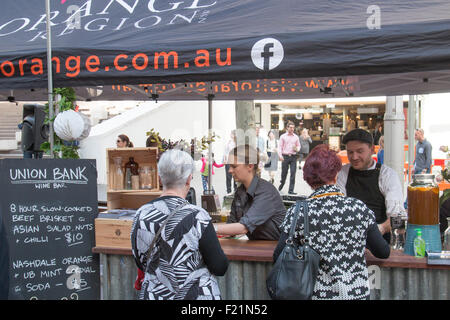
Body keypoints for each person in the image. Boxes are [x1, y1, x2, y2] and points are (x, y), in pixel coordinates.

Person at [273, 144, 390, 300]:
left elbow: (279, 255)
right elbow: (383, 252)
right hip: (356, 295)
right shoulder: (358, 208)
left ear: (307, 179)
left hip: (316, 295)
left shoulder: (298, 211)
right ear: (336, 175)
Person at [131, 149, 229, 300]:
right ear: (189, 179)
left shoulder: (141, 214)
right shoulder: (198, 216)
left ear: (159, 178)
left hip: (155, 295)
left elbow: (140, 260)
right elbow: (219, 266)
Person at [336, 128, 405, 244]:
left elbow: (399, 217)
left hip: (381, 241)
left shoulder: (387, 175)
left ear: (372, 149)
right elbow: (338, 208)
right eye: (350, 152)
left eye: (360, 151)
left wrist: (381, 228)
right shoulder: (344, 172)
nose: (354, 157)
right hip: (349, 241)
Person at [215, 144, 286, 240]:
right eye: (229, 166)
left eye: (234, 166)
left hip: (277, 250)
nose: (230, 170)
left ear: (250, 166)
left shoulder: (266, 192)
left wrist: (209, 228)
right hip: (258, 248)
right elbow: (231, 224)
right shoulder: (240, 191)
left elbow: (243, 227)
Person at [278, 121, 301, 195]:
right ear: (287, 128)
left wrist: (297, 148)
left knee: (293, 173)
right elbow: (279, 147)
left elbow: (299, 146)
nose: (292, 129)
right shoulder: (283, 136)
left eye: (293, 128)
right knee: (284, 173)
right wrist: (280, 156)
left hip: (293, 157)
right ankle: (282, 183)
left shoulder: (296, 137)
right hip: (285, 156)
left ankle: (291, 190)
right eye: (290, 127)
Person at [223, 130, 237, 194]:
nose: (231, 135)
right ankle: (228, 191)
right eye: (231, 134)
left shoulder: (237, 143)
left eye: (232, 134)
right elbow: (225, 152)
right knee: (228, 176)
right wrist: (224, 159)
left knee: (235, 176)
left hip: (235, 161)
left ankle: (235, 190)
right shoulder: (228, 142)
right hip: (228, 161)